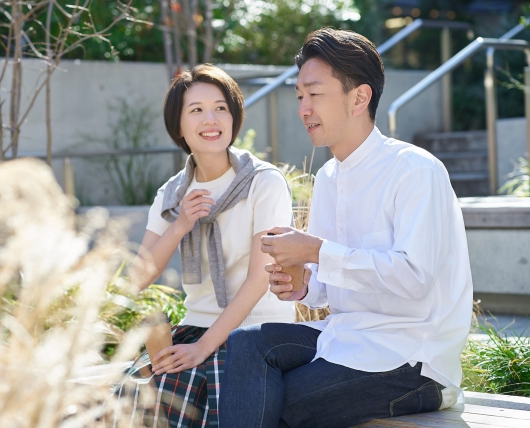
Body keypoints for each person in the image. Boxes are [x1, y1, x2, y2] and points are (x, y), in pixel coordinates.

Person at [218, 28, 473, 428]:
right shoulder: (329, 177)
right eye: (299, 96)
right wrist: (302, 283)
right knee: (247, 344)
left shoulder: (416, 170)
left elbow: (415, 279)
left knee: (279, 402)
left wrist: (316, 251)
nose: (303, 108)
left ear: (360, 97)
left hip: (413, 358)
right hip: (344, 338)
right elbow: (329, 283)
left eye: (315, 94)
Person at [123, 64, 296, 427]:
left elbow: (259, 280)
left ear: (234, 117)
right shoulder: (171, 194)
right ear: (179, 125)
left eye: (221, 107)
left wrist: (204, 348)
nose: (211, 119)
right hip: (193, 327)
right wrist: (180, 224)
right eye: (196, 110)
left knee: (183, 394)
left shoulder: (263, 183)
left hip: (254, 334)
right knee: (128, 396)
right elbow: (137, 279)